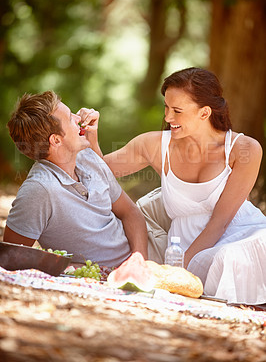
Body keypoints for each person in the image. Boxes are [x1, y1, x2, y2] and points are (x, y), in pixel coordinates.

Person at [88, 67, 266, 305]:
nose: (168, 117)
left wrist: (178, 271)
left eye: (177, 111)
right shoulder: (154, 145)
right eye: (166, 107)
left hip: (239, 237)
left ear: (204, 113)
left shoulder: (245, 149)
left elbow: (220, 222)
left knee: (228, 257)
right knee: (218, 262)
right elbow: (100, 172)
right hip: (184, 248)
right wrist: (91, 136)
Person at [4, 91, 148, 267]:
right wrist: (70, 268)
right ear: (56, 140)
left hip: (143, 248)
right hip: (126, 267)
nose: (78, 118)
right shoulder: (39, 190)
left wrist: (140, 263)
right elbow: (9, 258)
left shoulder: (87, 156)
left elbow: (131, 213)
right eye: (70, 118)